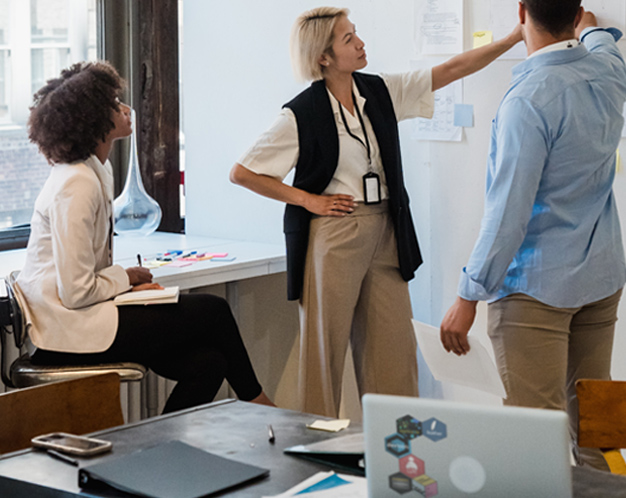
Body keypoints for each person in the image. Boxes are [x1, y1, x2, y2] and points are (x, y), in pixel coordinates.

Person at [230, 6, 522, 417]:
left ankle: (398, 457)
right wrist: (310, 201)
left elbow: (451, 69)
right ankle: (316, 456)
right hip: (334, 233)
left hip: (385, 228)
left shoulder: (379, 90)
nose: (361, 43)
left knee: (393, 351)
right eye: (348, 39)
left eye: (356, 34)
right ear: (323, 57)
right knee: (323, 353)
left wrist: (513, 39)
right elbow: (243, 172)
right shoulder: (300, 113)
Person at [17, 61, 273, 414]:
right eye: (114, 103)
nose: (126, 109)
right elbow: (76, 292)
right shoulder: (76, 183)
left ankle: (160, 452)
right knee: (214, 310)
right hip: (67, 331)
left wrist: (127, 285)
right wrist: (125, 278)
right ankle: (261, 405)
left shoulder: (93, 172)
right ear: (93, 119)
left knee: (209, 362)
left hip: (82, 317)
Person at [440, 2, 626, 471]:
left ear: (521, 11)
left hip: (535, 291)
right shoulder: (607, 69)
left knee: (534, 438)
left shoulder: (528, 99)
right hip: (601, 280)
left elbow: (508, 216)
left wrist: (468, 294)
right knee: (600, 429)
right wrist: (591, 31)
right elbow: (605, 41)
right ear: (578, 12)